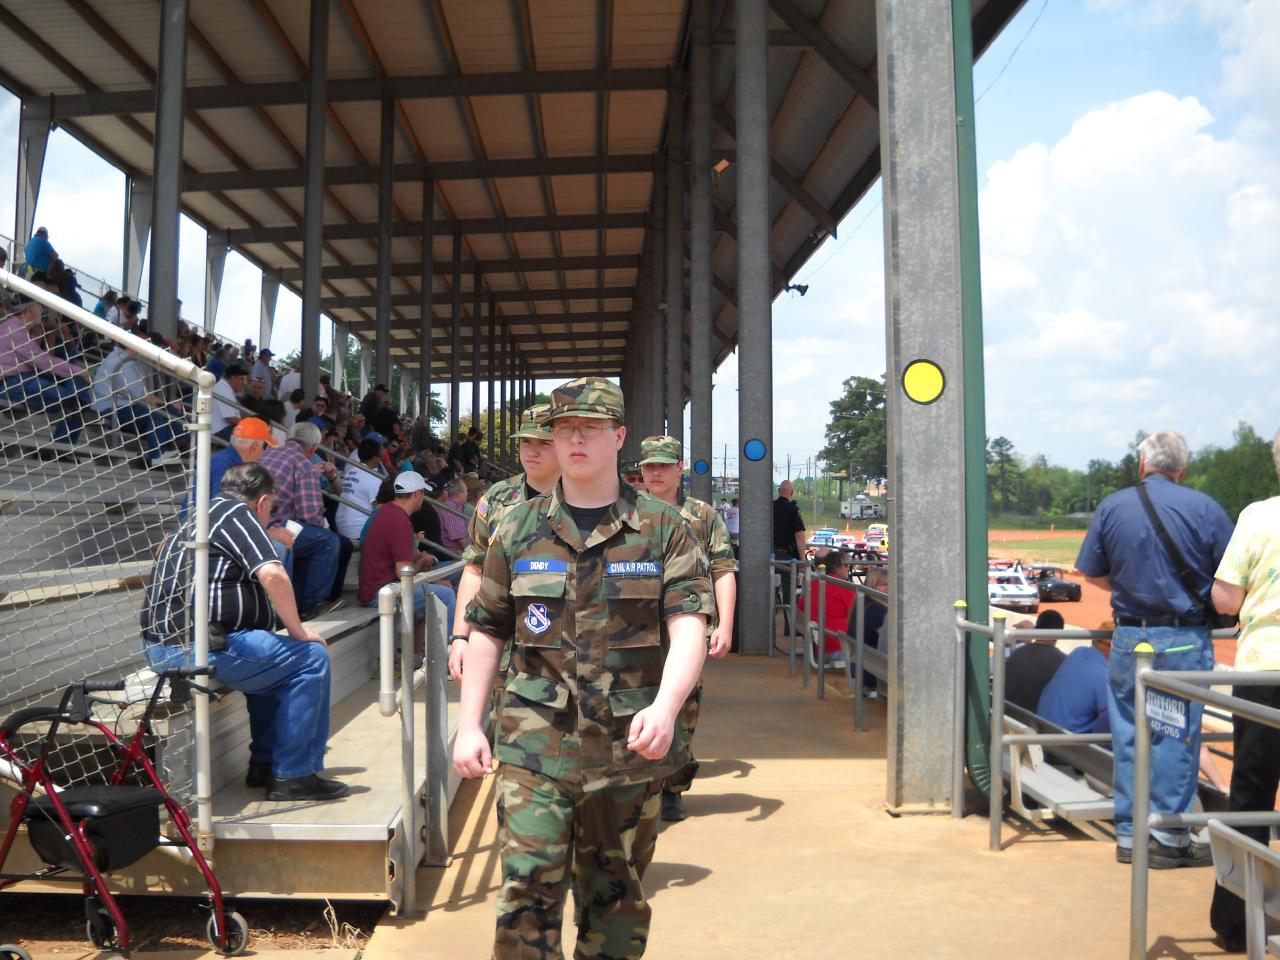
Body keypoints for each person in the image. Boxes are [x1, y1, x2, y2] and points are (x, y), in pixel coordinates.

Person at [454, 376, 712, 960]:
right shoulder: (517, 527)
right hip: (533, 743)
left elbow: (689, 625)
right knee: (525, 892)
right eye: (565, 428)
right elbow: (488, 627)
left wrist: (667, 707)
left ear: (618, 436)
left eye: (590, 428)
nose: (575, 439)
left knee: (614, 899)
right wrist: (469, 725)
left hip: (628, 746)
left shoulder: (663, 529)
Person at [140, 463, 348, 802]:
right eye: (272, 507)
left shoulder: (201, 513)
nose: (270, 515)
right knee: (310, 658)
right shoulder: (240, 515)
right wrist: (297, 631)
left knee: (271, 658)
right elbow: (274, 575)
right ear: (262, 501)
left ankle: (265, 765)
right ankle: (293, 775)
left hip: (166, 644)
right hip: (197, 646)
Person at [1075, 430, 1233, 868]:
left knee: (1128, 736)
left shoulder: (1112, 506)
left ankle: (1129, 834)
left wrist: (1130, 587)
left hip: (1128, 638)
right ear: (1182, 469)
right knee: (1176, 737)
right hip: (1183, 639)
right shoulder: (1205, 508)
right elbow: (1231, 578)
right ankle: (1167, 836)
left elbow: (1092, 573)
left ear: (1142, 464)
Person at [638, 434, 737, 823]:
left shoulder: (702, 515)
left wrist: (724, 624)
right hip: (635, 627)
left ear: (680, 469)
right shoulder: (623, 511)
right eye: (650, 466)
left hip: (687, 626)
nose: (656, 473)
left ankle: (672, 787)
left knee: (683, 708)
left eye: (664, 465)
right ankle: (638, 785)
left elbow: (723, 569)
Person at [1208, 427, 1280, 951]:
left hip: (1263, 671)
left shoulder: (1258, 516)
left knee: (1251, 792)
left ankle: (1236, 919)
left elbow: (1226, 599)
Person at [446, 404, 560, 680]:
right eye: (525, 442)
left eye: (544, 443)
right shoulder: (498, 499)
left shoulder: (584, 498)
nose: (532, 451)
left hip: (563, 647)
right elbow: (475, 568)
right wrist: (460, 636)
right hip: (506, 647)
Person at [357, 470, 457, 660]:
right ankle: (446, 659)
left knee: (449, 579)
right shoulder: (399, 521)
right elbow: (404, 573)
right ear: (417, 494)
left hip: (377, 587)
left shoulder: (387, 511)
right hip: (382, 592)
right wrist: (424, 563)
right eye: (423, 493)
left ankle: (420, 654)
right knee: (447, 595)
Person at [258, 422, 349, 619]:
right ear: (314, 448)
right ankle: (310, 605)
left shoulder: (267, 454)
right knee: (328, 541)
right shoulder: (303, 464)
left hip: (257, 525)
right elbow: (310, 515)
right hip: (277, 527)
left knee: (313, 537)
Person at [0, 294, 91, 455]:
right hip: (11, 383)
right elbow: (42, 361)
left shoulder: (23, 329)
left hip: (24, 379)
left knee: (78, 388)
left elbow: (44, 359)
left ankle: (76, 404)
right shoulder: (14, 329)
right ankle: (76, 407)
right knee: (76, 397)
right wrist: (79, 371)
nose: (43, 312)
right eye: (41, 308)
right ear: (32, 309)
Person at [1036, 634, 1112, 733]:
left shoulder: (1078, 652)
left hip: (1041, 729)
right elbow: (1111, 721)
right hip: (1064, 739)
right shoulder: (1105, 675)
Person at [1004, 609, 1068, 712]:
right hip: (1037, 720)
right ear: (1059, 634)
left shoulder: (1016, 653)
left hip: (1008, 717)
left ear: (1036, 628)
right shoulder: (1064, 662)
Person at [797, 549, 856, 660]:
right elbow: (857, 618)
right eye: (846, 565)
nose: (848, 568)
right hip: (839, 648)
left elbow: (800, 609)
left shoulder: (813, 585)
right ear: (837, 568)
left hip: (820, 646)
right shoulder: (845, 589)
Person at [335, 438, 386, 540]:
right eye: (380, 456)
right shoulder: (373, 478)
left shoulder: (351, 472)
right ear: (374, 458)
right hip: (358, 529)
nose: (381, 460)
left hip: (342, 526)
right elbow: (380, 509)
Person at [772, 479, 807, 561]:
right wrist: (802, 559)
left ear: (778, 491)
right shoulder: (793, 509)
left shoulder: (770, 507)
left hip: (770, 555)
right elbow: (800, 536)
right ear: (792, 492)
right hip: (788, 558)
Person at [210, 363, 246, 440]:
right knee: (253, 439)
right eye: (241, 379)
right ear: (233, 378)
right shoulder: (224, 390)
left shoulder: (224, 387)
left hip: (222, 428)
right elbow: (231, 418)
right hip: (220, 430)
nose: (243, 383)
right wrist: (249, 425)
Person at [437, 477, 470, 555]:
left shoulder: (454, 506)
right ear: (458, 493)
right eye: (466, 491)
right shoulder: (451, 509)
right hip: (452, 554)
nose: (467, 494)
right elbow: (461, 539)